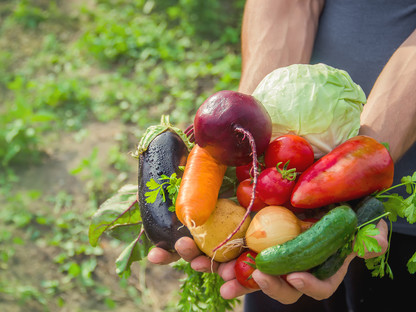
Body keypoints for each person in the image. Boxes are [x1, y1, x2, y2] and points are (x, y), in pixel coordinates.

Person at [148, 0, 416, 311]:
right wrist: (245, 123)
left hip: (394, 191)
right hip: (275, 186)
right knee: (277, 285)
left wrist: (362, 159)